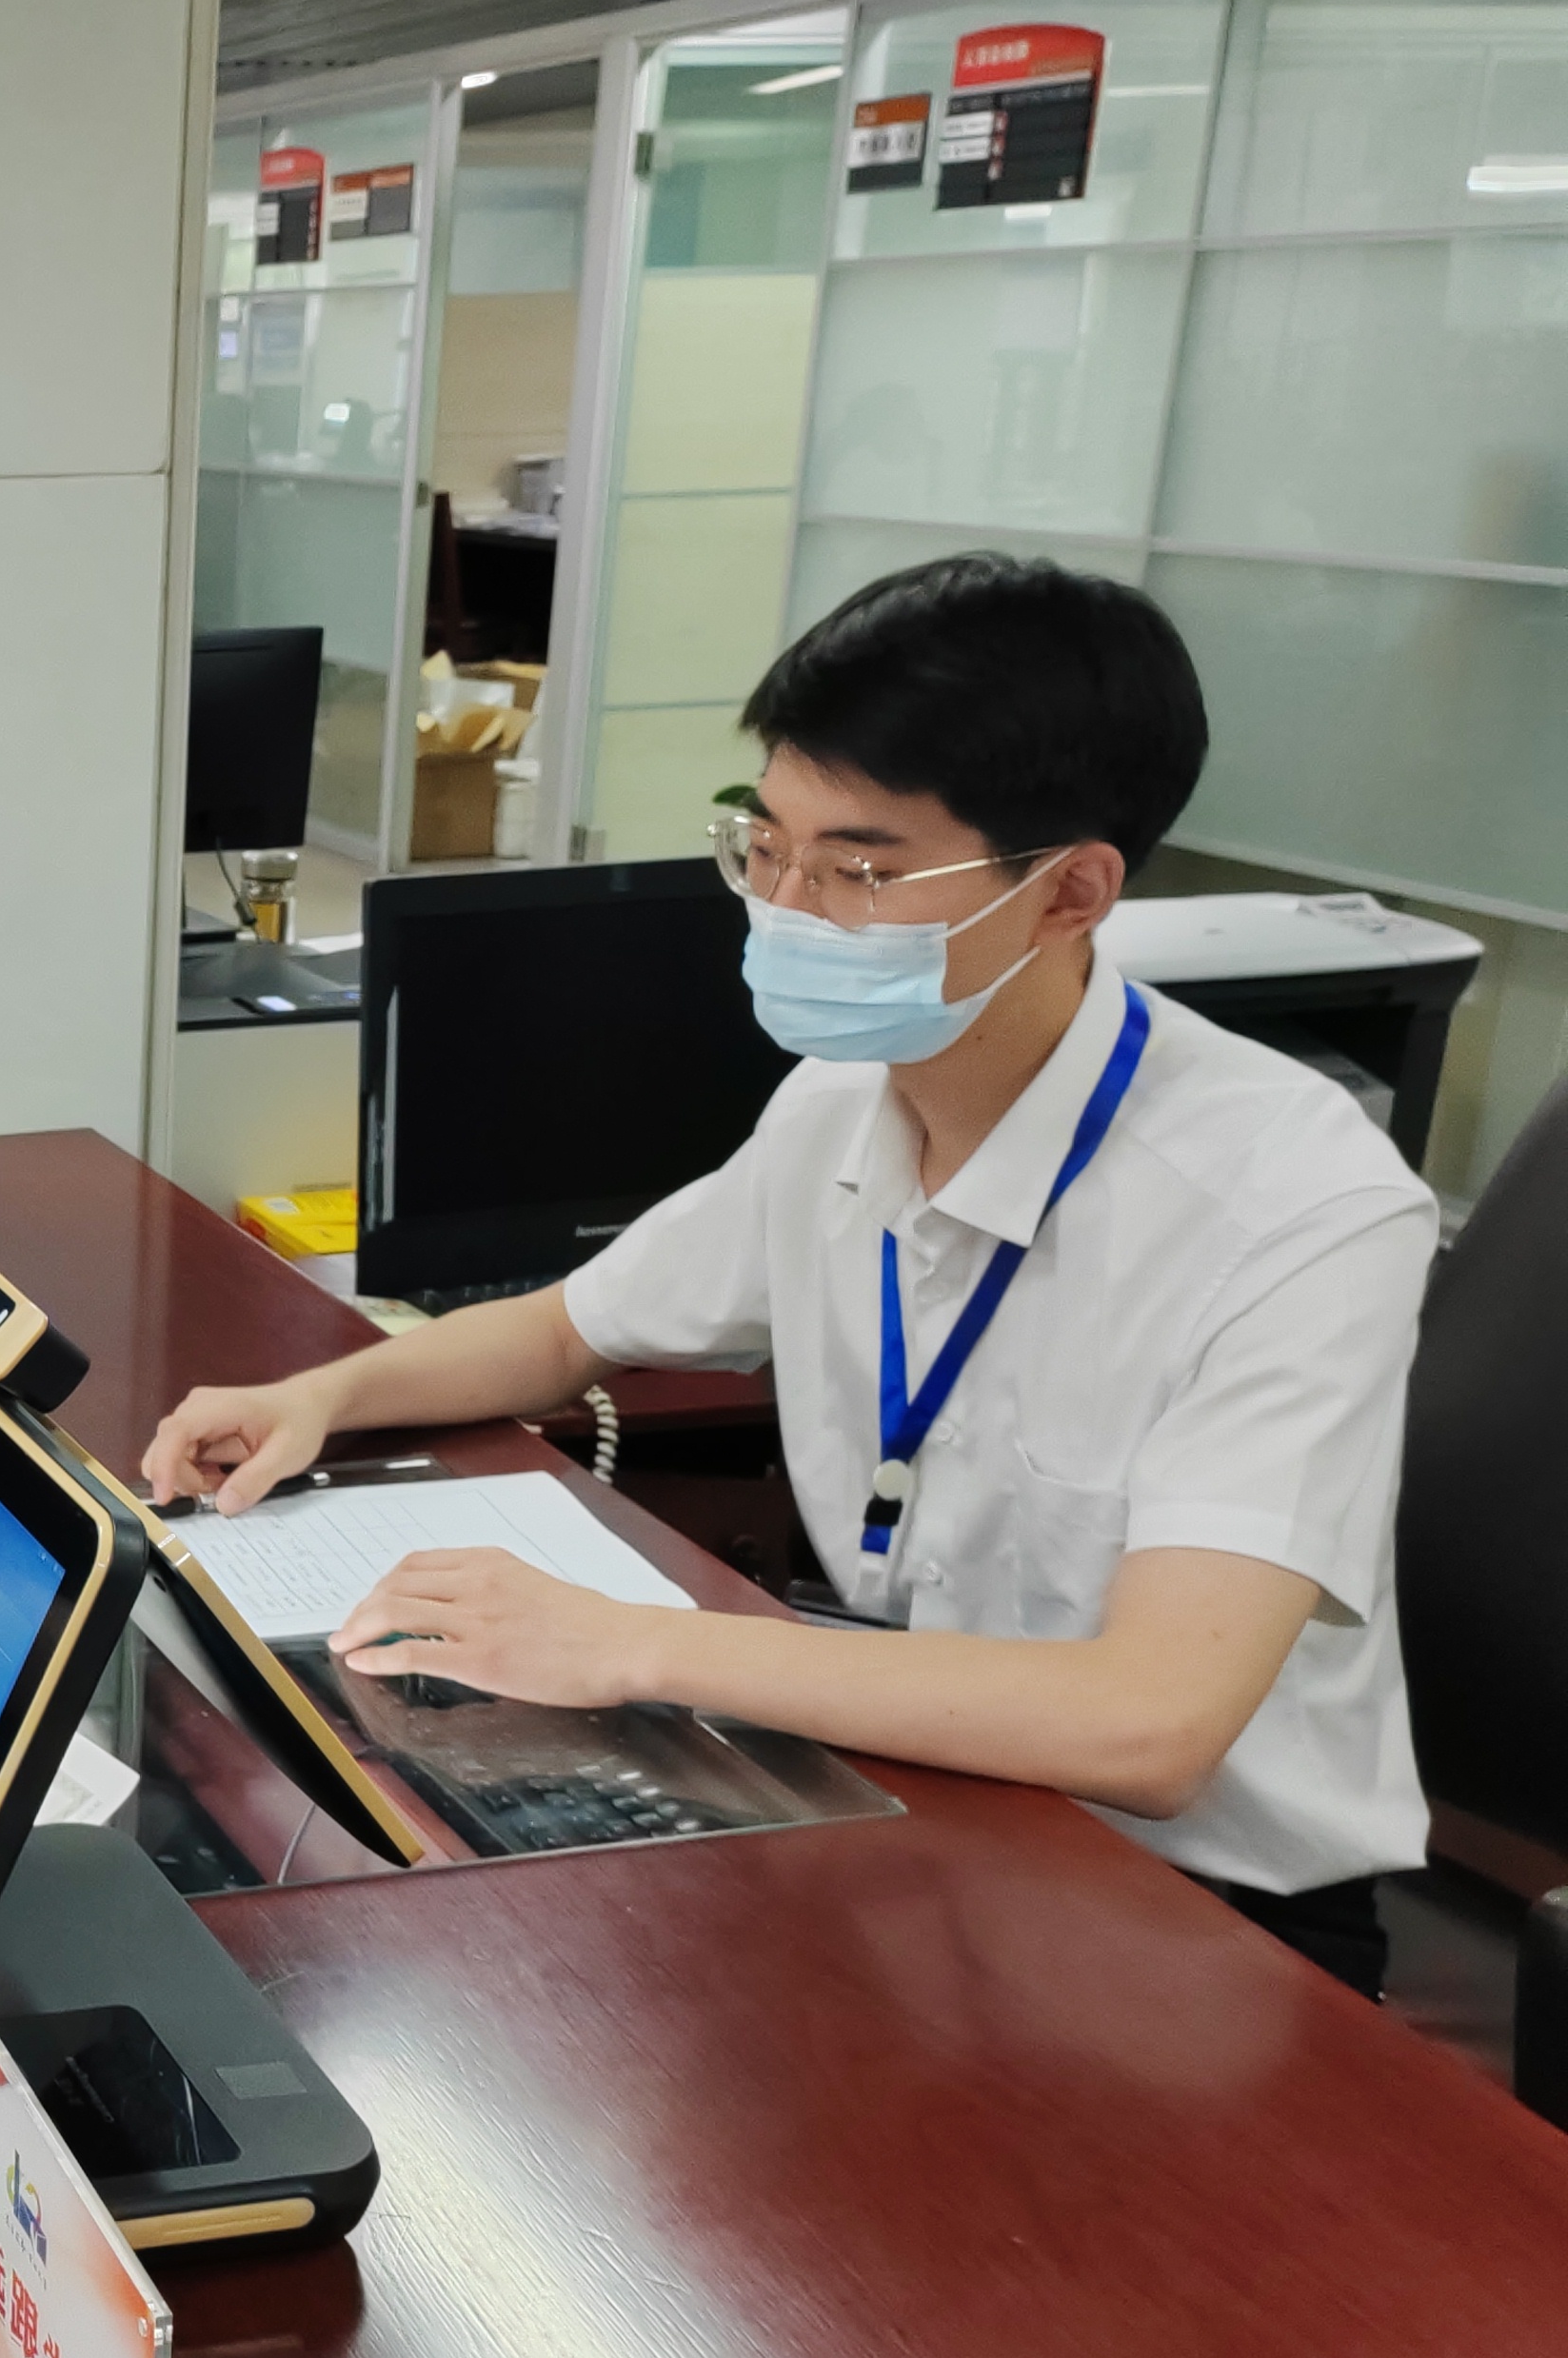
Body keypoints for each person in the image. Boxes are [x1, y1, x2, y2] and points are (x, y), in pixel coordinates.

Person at [142, 555, 1434, 1995]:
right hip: (911, 1799)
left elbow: (1153, 1726)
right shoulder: (840, 1100)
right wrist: (322, 1398)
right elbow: (566, 1331)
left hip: (1201, 1918)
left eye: (862, 872)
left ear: (1069, 891)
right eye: (766, 847)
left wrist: (630, 1646)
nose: (791, 909)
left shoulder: (1295, 1208)